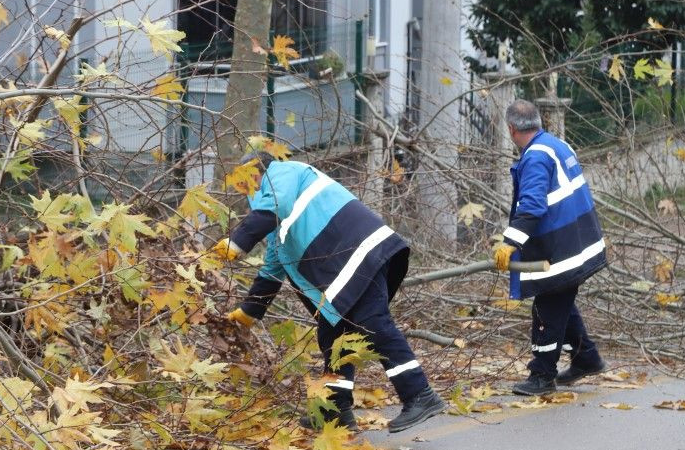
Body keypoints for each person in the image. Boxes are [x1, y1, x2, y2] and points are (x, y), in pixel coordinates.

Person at [210, 150, 445, 433]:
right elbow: (275, 260)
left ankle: (419, 394)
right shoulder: (274, 211)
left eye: (247, 181)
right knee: (334, 336)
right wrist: (250, 310)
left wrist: (238, 241)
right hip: (346, 263)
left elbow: (276, 202)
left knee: (373, 323)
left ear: (256, 170)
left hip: (357, 253)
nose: (246, 189)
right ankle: (335, 411)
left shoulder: (281, 173)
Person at [493, 99, 608, 396]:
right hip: (580, 241)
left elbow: (531, 206)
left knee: (547, 308)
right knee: (561, 302)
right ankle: (586, 358)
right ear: (538, 122)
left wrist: (509, 244)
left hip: (562, 249)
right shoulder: (557, 145)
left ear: (510, 129)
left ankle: (542, 375)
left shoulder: (535, 158)